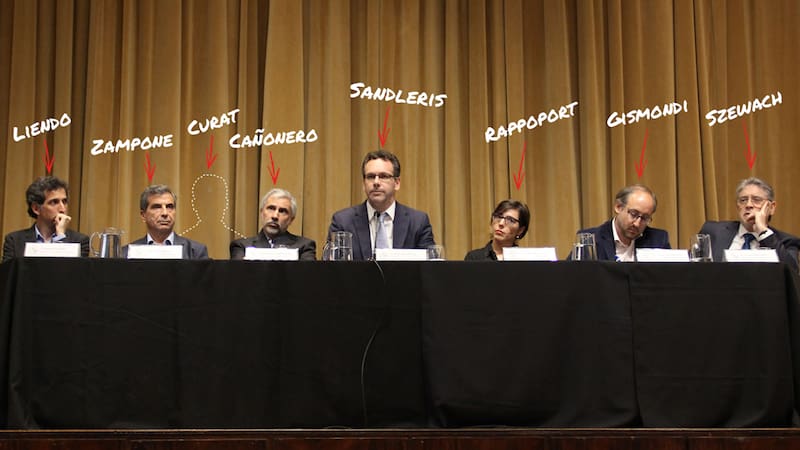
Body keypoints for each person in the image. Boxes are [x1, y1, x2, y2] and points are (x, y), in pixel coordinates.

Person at [327, 149, 435, 260]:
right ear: (364, 184)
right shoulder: (343, 222)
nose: (376, 182)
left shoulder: (418, 222)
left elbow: (431, 266)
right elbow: (329, 267)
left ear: (397, 183)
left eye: (383, 176)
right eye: (370, 176)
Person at [699, 177, 799, 270]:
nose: (748, 205)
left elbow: (792, 273)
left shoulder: (786, 242)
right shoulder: (713, 231)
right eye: (743, 200)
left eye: (756, 200)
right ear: (737, 207)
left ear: (771, 207)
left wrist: (763, 231)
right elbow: (694, 269)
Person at [573, 184, 670, 261]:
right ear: (618, 207)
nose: (637, 224)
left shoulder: (658, 240)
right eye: (633, 214)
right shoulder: (590, 239)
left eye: (645, 218)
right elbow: (572, 275)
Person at [2, 176, 90, 261]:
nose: (62, 209)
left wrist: (60, 237)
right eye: (54, 202)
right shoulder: (14, 241)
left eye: (64, 201)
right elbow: (9, 271)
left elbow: (69, 270)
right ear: (36, 208)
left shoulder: (80, 241)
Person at [124, 184, 208, 259]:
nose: (165, 213)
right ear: (143, 215)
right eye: (157, 207)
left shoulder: (195, 252)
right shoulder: (126, 253)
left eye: (169, 207)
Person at [230, 188, 316, 260]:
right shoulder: (242, 246)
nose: (275, 216)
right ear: (261, 212)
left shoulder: (305, 246)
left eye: (282, 211)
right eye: (271, 208)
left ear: (291, 219)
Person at [465, 200, 530, 260]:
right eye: (498, 216)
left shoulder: (525, 259)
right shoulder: (474, 258)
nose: (501, 223)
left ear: (520, 230)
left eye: (510, 220)